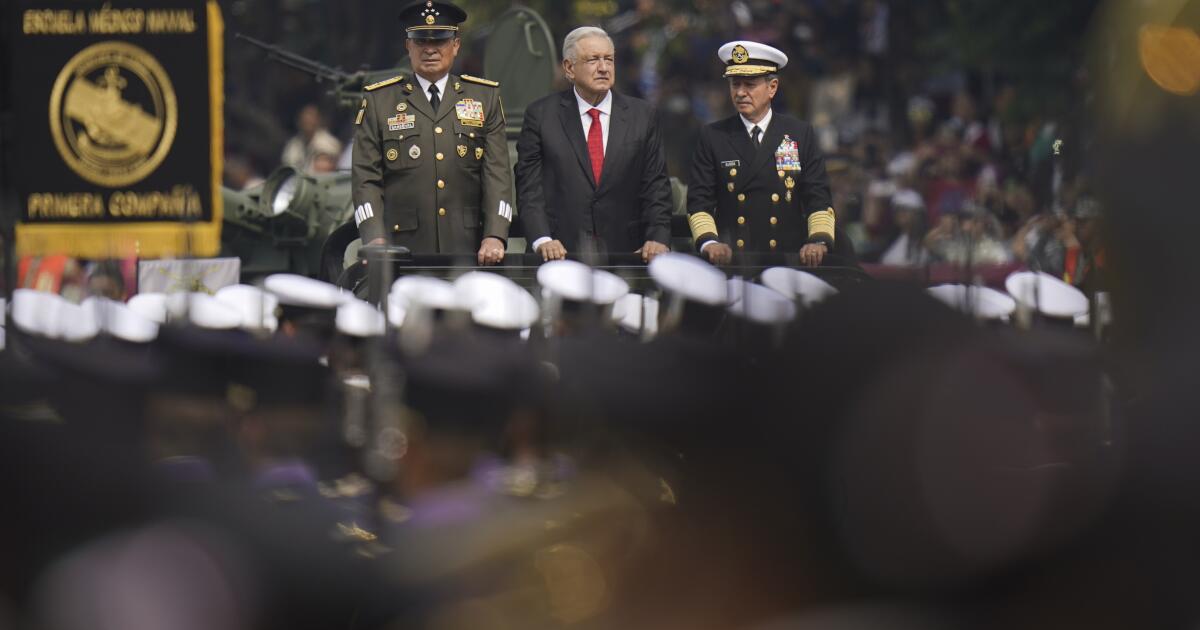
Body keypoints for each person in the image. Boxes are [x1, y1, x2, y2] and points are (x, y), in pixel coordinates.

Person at [351, 0, 511, 265]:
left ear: (456, 45)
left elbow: (498, 175)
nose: (430, 50)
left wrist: (495, 234)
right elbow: (365, 178)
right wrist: (373, 237)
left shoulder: (484, 97)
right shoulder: (380, 100)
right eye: (421, 41)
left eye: (439, 41)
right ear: (408, 46)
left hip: (469, 248)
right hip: (400, 250)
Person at [516, 26, 673, 263]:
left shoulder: (643, 115)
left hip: (628, 255)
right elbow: (530, 189)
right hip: (560, 256)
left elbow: (656, 187)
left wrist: (658, 238)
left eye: (608, 59)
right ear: (569, 68)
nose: (603, 67)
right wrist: (542, 239)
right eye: (593, 60)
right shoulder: (541, 115)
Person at [686, 41, 837, 267]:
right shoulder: (714, 136)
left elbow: (818, 197)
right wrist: (710, 242)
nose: (740, 93)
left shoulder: (798, 133)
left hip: (787, 263)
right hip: (733, 263)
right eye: (735, 84)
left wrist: (818, 241)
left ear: (772, 87)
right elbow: (699, 202)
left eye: (749, 84)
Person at [281, 104, 342, 174]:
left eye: (311, 118)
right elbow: (287, 167)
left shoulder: (330, 144)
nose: (308, 121)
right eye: (305, 119)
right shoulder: (292, 145)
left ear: (317, 120)